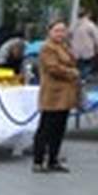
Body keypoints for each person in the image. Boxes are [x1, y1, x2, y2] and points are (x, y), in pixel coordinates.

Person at [33, 19, 80, 173]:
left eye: (63, 30)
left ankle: (53, 159)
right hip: (52, 94)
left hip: (65, 95)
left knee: (59, 129)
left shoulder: (64, 46)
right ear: (49, 31)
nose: (60, 33)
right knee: (46, 128)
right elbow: (53, 68)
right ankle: (38, 161)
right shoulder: (47, 47)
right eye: (57, 30)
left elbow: (72, 61)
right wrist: (72, 73)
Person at [68, 6, 98, 72]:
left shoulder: (74, 25)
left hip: (75, 50)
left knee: (77, 66)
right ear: (88, 14)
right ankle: (83, 78)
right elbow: (97, 38)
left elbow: (69, 35)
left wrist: (71, 45)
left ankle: (78, 77)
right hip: (87, 51)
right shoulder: (91, 25)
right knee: (88, 65)